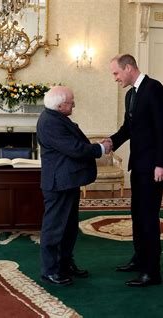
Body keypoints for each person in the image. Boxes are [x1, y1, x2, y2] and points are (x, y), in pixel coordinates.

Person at [106, 54, 163, 287]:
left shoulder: (154, 89)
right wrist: (110, 143)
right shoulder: (130, 95)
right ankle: (139, 258)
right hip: (139, 164)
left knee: (148, 218)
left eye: (116, 73)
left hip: (154, 166)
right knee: (137, 214)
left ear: (128, 68)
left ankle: (152, 272)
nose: (115, 78)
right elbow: (128, 129)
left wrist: (162, 163)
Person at [37, 86, 111, 286]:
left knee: (69, 228)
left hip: (67, 181)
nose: (74, 104)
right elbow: (74, 148)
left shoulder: (56, 117)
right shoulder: (50, 122)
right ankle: (50, 270)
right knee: (54, 229)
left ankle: (65, 264)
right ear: (60, 105)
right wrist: (101, 148)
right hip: (58, 184)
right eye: (71, 102)